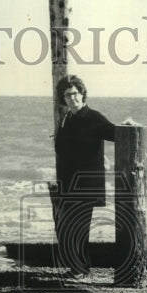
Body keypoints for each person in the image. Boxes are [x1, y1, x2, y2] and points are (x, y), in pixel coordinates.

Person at [52, 74, 117, 278]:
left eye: (75, 94)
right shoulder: (67, 119)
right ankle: (77, 267)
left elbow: (116, 133)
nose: (72, 98)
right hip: (68, 182)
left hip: (86, 183)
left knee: (79, 226)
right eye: (67, 95)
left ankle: (81, 269)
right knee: (68, 226)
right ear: (63, 99)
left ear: (82, 94)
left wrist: (128, 125)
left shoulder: (93, 117)